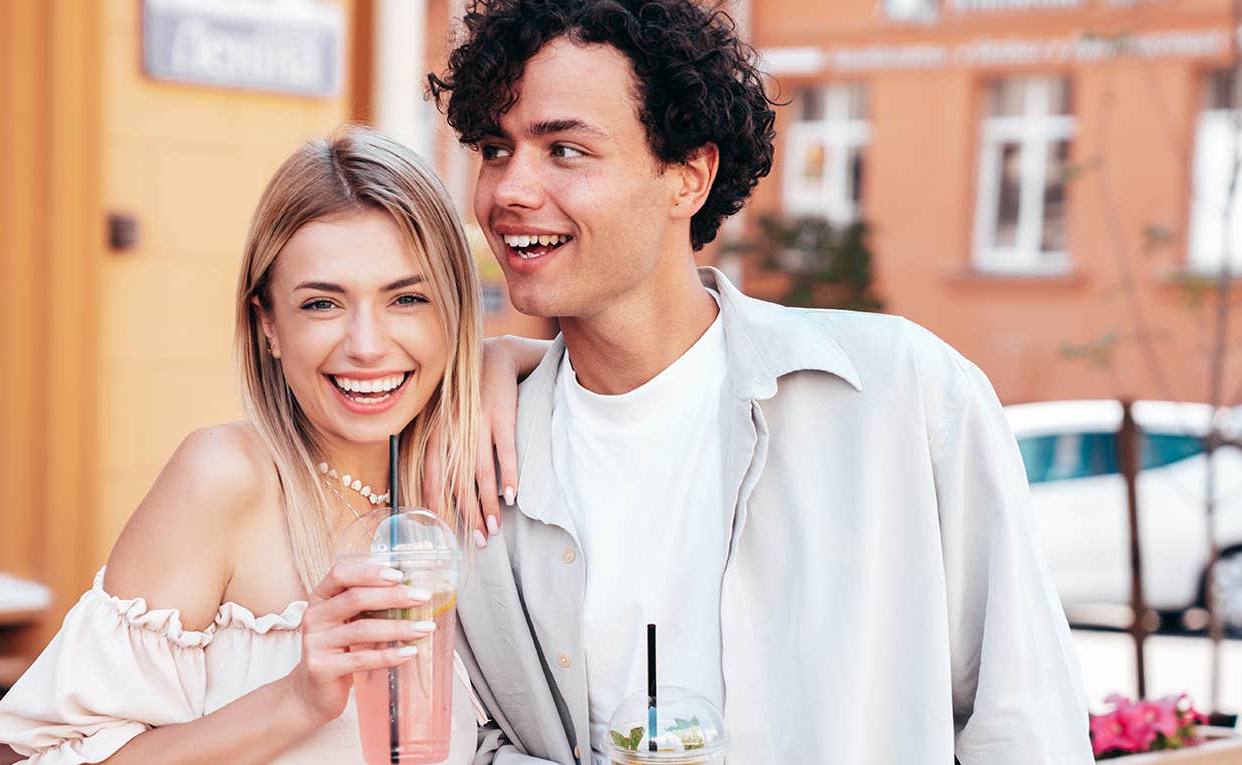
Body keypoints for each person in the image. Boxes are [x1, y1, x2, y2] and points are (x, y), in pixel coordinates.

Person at [429, 1, 1095, 763]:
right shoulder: (477, 454)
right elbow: (449, 732)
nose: (509, 190)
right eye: (494, 147)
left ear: (688, 175)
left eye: (565, 151)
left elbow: (1024, 721)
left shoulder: (903, 395)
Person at [0, 127, 491, 764]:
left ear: (454, 312)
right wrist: (296, 700)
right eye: (321, 304)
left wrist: (509, 362)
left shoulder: (477, 480)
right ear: (269, 325)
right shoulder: (225, 478)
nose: (366, 344)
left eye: (408, 298)